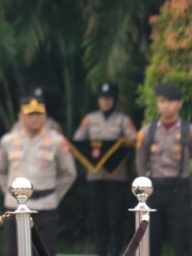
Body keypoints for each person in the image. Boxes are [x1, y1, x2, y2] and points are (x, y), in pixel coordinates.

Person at [0, 96, 76, 256]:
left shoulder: (57, 141)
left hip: (46, 207)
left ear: (45, 116)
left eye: (39, 114)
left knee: (44, 252)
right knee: (13, 252)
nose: (35, 118)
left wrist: (54, 196)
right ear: (20, 116)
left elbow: (69, 173)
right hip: (15, 207)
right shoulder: (8, 140)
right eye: (30, 114)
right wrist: (11, 194)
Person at [73, 82, 137, 256]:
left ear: (114, 100)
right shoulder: (90, 119)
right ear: (98, 100)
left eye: (109, 99)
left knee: (115, 218)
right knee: (97, 217)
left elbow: (134, 138)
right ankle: (100, 251)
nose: (105, 102)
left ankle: (115, 251)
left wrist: (121, 144)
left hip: (116, 177)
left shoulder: (123, 120)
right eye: (102, 98)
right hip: (94, 176)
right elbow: (78, 141)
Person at [136, 82, 192, 256]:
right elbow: (141, 162)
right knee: (151, 239)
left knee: (182, 239)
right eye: (162, 100)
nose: (166, 105)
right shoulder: (148, 131)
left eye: (171, 101)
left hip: (180, 188)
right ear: (157, 103)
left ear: (179, 104)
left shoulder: (190, 131)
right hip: (154, 188)